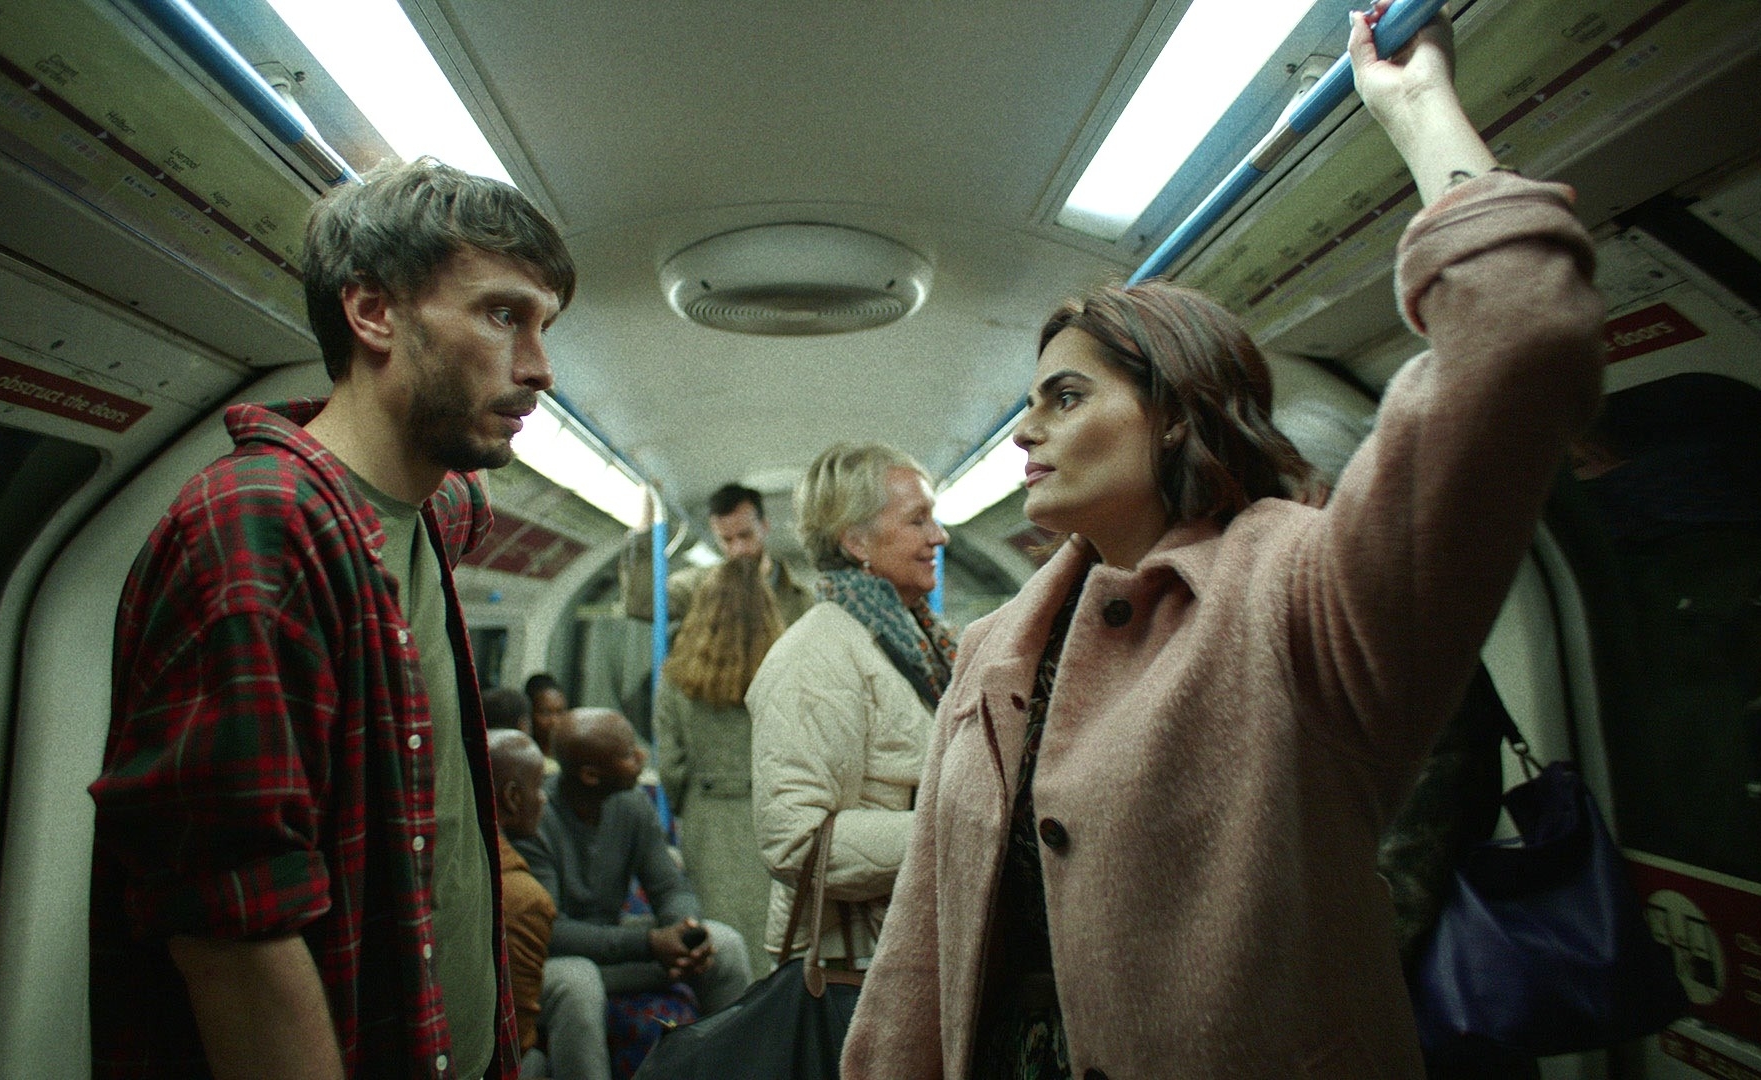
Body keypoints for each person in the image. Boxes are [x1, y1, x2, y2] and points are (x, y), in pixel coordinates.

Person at [839, 7, 1608, 1077]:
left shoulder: (1295, 592)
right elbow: (925, 946)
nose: (1025, 429)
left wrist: (1420, 107)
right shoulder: (996, 652)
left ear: (1174, 411)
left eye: (1064, 395)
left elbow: (1519, 331)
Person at [88, 157, 576, 1080]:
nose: (540, 368)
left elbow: (439, 489)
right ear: (373, 313)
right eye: (502, 314)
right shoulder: (258, 533)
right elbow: (235, 936)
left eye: (544, 325)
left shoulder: (431, 510)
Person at [747, 443, 956, 972]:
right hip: (856, 962)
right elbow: (794, 841)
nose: (939, 536)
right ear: (856, 540)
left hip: (906, 943)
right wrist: (961, 827)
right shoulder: (814, 658)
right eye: (918, 521)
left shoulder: (918, 639)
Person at [515, 708, 753, 1079]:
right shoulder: (538, 820)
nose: (642, 757)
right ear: (591, 775)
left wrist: (683, 931)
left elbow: (669, 885)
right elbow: (552, 934)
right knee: (578, 983)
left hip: (619, 949)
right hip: (565, 959)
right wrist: (649, 943)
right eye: (628, 754)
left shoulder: (632, 802)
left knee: (727, 944)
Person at [656, 555, 789, 978]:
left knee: (722, 949)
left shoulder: (676, 677)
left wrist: (686, 803)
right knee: (773, 943)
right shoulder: (785, 670)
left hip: (706, 817)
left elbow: (671, 765)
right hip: (772, 819)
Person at [621, 483, 816, 628]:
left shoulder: (802, 600)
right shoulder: (700, 586)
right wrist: (645, 524)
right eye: (727, 540)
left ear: (764, 526)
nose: (738, 548)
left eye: (745, 535)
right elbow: (642, 605)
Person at [489, 728, 558, 1077]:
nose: (544, 800)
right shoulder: (523, 898)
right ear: (513, 797)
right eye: (539, 787)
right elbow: (515, 1040)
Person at [524, 672, 567, 757]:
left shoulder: (570, 756)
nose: (555, 721)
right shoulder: (522, 757)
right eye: (546, 713)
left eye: (560, 712)